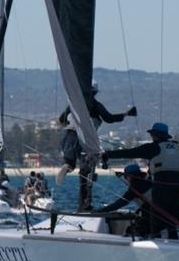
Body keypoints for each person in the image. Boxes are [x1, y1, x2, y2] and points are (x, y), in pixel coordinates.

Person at [56, 81, 136, 211]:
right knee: (86, 172)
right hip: (87, 140)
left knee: (70, 164)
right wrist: (127, 113)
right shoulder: (96, 105)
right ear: (94, 93)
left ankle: (68, 165)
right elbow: (109, 118)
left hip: (69, 137)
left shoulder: (72, 104)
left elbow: (61, 120)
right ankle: (84, 204)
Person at [102, 122, 179, 239]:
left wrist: (107, 154)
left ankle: (156, 243)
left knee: (157, 220)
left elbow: (130, 153)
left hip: (161, 187)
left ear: (155, 135)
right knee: (173, 221)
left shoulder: (153, 147)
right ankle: (175, 242)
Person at [95, 163, 154, 237]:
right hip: (160, 212)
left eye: (126, 177)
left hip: (153, 216)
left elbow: (119, 203)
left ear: (129, 177)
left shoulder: (134, 189)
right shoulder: (149, 182)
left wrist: (101, 210)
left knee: (131, 230)